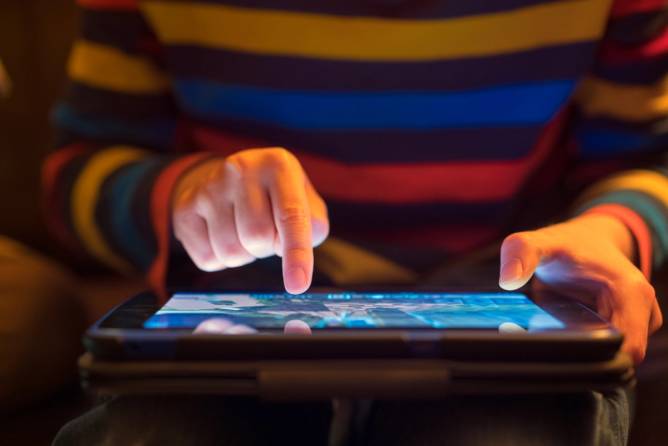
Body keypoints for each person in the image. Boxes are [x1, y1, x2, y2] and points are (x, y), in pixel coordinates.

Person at [48, 0, 666, 444]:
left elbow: (647, 159)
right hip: (241, 302)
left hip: (505, 299)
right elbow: (78, 173)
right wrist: (180, 195)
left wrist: (608, 229)